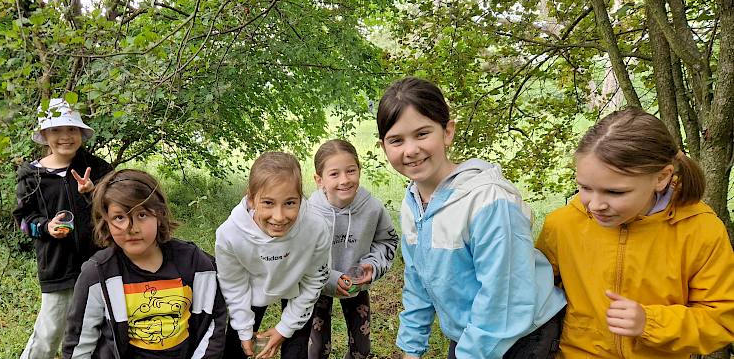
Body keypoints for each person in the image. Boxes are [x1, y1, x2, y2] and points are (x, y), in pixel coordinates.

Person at [376, 77, 566, 359]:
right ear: (383, 146)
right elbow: (418, 279)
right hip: (471, 331)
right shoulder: (412, 203)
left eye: (422, 134)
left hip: (524, 334)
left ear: (447, 132)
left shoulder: (488, 200)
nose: (411, 150)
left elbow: (505, 296)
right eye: (397, 140)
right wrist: (411, 349)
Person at [535, 107, 734, 358]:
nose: (595, 204)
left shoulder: (700, 229)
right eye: (585, 187)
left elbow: (722, 319)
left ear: (661, 178)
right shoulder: (562, 225)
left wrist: (649, 323)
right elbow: (530, 297)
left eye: (615, 192)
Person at [61, 169, 227, 358]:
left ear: (159, 214)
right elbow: (79, 344)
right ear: (105, 221)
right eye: (119, 217)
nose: (131, 229)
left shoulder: (195, 262)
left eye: (142, 215)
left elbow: (213, 325)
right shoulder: (97, 273)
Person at [13, 98, 113, 359]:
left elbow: (119, 210)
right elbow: (23, 220)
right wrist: (46, 227)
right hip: (57, 267)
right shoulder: (31, 176)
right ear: (45, 135)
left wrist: (94, 193)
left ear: (81, 133)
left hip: (100, 262)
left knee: (103, 328)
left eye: (71, 129)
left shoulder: (97, 169)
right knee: (49, 332)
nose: (65, 137)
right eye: (56, 130)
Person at [215, 152, 332, 359]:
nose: (279, 217)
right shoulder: (230, 234)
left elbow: (315, 279)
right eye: (268, 203)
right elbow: (233, 285)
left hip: (297, 287)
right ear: (251, 199)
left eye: (289, 203)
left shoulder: (316, 226)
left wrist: (285, 328)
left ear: (300, 198)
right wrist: (243, 329)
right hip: (252, 287)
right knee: (235, 351)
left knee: (296, 353)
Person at [307, 139, 398, 359]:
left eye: (351, 171)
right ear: (319, 180)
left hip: (357, 284)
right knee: (318, 349)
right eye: (334, 174)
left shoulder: (373, 208)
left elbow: (388, 241)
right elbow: (303, 257)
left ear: (359, 171)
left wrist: (372, 266)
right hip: (318, 286)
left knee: (362, 350)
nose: (345, 180)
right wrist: (330, 280)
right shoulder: (308, 213)